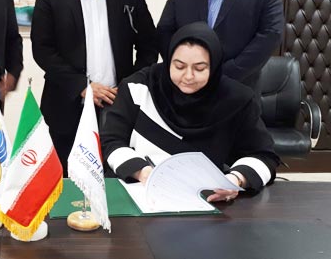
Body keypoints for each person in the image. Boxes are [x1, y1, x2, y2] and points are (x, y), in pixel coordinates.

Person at [31, 0, 158, 173]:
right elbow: (42, 50)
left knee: (117, 174)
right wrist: (83, 86)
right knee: (66, 177)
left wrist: (128, 87)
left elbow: (149, 45)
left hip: (119, 104)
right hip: (67, 104)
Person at [101, 22, 279, 201]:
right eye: (179, 67)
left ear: (214, 66)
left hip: (206, 198)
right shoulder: (138, 87)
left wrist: (235, 180)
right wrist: (142, 172)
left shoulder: (237, 101)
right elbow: (111, 141)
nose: (188, 76)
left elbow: (264, 156)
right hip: (139, 191)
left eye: (199, 68)